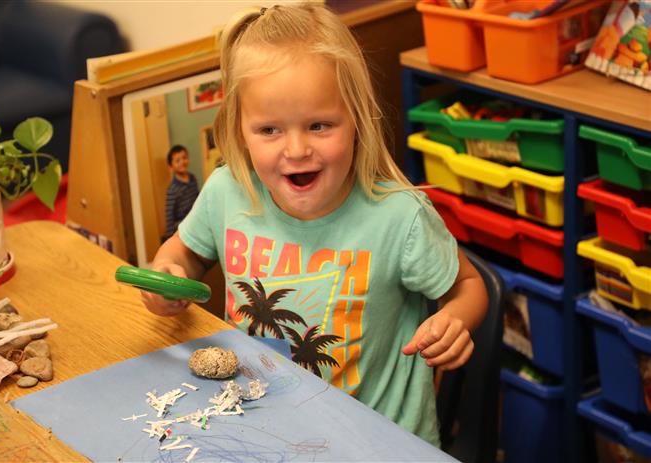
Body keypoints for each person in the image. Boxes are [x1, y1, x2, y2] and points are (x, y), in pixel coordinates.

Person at [142, 3, 487, 446]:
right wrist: (168, 277)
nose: (297, 148)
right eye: (269, 130)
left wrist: (457, 319)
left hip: (381, 445)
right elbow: (181, 254)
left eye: (320, 125)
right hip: (264, 430)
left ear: (357, 119)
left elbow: (469, 285)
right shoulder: (228, 190)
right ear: (239, 128)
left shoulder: (400, 217)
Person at [163, 145, 199, 242]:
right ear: (171, 166)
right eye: (177, 161)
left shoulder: (192, 178)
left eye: (184, 158)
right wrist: (170, 238)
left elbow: (198, 198)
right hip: (181, 226)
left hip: (195, 220)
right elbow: (169, 215)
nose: (182, 162)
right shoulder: (172, 189)